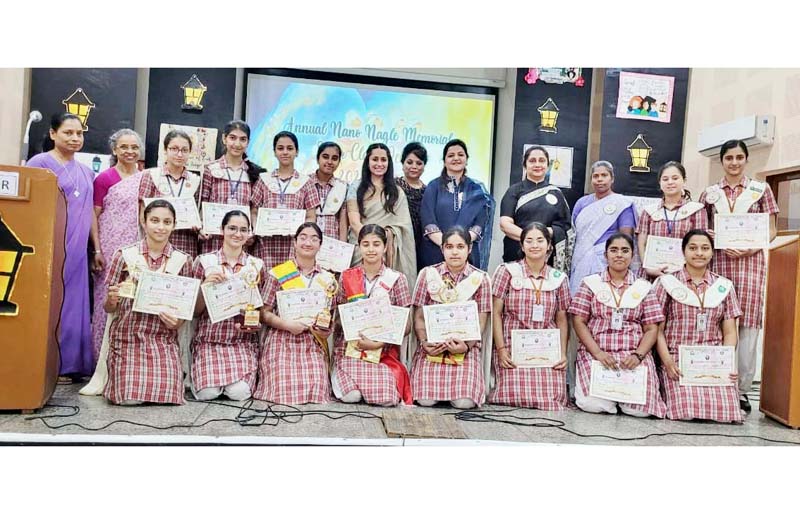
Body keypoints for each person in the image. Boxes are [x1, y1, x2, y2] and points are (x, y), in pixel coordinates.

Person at [699, 139, 779, 413]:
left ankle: (742, 390)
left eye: (739, 157)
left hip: (750, 267)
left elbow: (771, 229)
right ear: (721, 161)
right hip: (718, 266)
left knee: (747, 328)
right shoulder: (710, 194)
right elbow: (701, 229)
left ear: (746, 160)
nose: (734, 162)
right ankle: (715, 383)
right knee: (716, 324)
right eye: (729, 158)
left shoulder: (760, 190)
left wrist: (751, 246)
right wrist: (716, 238)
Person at [101, 200, 193, 405]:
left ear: (174, 225)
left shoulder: (183, 260)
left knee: (167, 398)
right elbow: (108, 307)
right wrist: (112, 300)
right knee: (129, 400)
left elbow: (184, 312)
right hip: (128, 338)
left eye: (167, 222)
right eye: (155, 220)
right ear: (144, 222)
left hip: (162, 339)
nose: (161, 227)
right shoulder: (124, 255)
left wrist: (176, 323)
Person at [27, 113, 94, 381]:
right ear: (53, 134)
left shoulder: (87, 171)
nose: (75, 138)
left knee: (73, 306)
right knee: (51, 304)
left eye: (79, 133)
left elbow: (90, 213)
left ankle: (71, 364)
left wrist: (97, 249)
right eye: (68, 132)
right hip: (51, 248)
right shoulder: (40, 164)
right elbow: (31, 207)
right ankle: (47, 365)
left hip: (78, 251)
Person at [569, 232, 667, 418]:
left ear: (632, 255)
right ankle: (613, 399)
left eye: (625, 250)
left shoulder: (643, 287)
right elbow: (579, 321)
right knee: (594, 405)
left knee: (639, 411)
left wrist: (638, 355)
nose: (619, 255)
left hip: (633, 356)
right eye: (613, 250)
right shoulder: (590, 284)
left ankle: (622, 400)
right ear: (605, 255)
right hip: (598, 354)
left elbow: (651, 328)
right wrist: (598, 353)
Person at [653, 230, 743, 423]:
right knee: (686, 412)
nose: (699, 253)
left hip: (713, 359)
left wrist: (725, 362)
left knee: (725, 415)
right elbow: (656, 330)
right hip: (678, 358)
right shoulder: (666, 283)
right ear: (683, 251)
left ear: (712, 252)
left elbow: (730, 332)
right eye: (693, 248)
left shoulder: (724, 286)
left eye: (705, 248)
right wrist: (667, 362)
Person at [253, 222, 338, 404]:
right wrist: (286, 325)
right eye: (303, 237)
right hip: (282, 338)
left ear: (320, 245)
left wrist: (324, 330)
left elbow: (328, 318)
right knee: (282, 385)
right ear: (295, 241)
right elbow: (264, 313)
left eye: (314, 239)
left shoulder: (328, 279)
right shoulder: (278, 273)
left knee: (317, 388)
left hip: (312, 340)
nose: (308, 243)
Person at [489, 222, 570, 409]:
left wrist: (562, 353)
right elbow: (496, 312)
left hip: (546, 348)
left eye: (540, 240)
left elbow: (561, 318)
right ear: (522, 245)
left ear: (549, 245)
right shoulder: (507, 272)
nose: (535, 245)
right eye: (529, 241)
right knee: (512, 395)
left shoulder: (559, 279)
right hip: (513, 346)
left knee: (552, 399)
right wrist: (501, 350)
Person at [410, 226, 492, 409]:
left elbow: (481, 321)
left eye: (460, 247)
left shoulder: (480, 279)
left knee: (464, 402)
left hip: (465, 349)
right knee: (425, 400)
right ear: (442, 249)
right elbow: (419, 317)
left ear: (469, 249)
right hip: (433, 348)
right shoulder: (428, 275)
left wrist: (466, 345)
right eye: (449, 247)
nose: (454, 252)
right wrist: (424, 342)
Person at [331, 224, 413, 406]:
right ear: (359, 246)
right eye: (365, 244)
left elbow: (406, 325)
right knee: (351, 397)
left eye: (376, 244)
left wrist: (380, 342)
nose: (371, 249)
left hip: (382, 353)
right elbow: (338, 318)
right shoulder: (346, 276)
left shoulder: (397, 279)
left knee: (385, 400)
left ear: (385, 247)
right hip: (350, 351)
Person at [191, 210, 267, 401]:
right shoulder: (204, 262)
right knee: (207, 393)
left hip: (241, 342)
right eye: (232, 228)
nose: (237, 234)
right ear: (222, 230)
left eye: (243, 230)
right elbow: (195, 312)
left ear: (249, 233)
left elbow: (259, 310)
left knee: (238, 393)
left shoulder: (256, 265)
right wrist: (205, 286)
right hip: (209, 341)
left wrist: (254, 325)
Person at [90, 129, 145, 361]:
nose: (129, 151)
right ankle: (100, 360)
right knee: (107, 298)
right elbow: (94, 215)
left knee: (134, 300)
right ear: (114, 150)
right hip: (110, 248)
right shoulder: (104, 179)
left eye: (134, 147)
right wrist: (97, 249)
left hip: (138, 248)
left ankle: (127, 360)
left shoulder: (146, 178)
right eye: (124, 147)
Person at [346, 143, 417, 286]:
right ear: (367, 161)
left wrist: (382, 244)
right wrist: (370, 244)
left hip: (388, 249)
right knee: (358, 291)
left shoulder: (397, 192)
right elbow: (354, 222)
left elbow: (404, 227)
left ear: (389, 163)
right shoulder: (356, 187)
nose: (379, 164)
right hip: (361, 247)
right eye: (375, 159)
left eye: (383, 160)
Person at [419, 139, 495, 270]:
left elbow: (479, 224)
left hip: (467, 255)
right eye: (451, 155)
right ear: (444, 161)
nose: (456, 158)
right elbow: (428, 221)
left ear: (466, 159)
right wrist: (448, 246)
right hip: (436, 253)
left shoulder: (476, 189)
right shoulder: (433, 186)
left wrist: (461, 246)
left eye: (460, 154)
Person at [499, 145, 573, 273]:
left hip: (547, 256)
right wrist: (530, 239)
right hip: (517, 252)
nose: (537, 164)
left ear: (547, 165)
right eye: (532, 161)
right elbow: (505, 224)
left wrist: (542, 237)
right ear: (525, 165)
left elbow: (565, 227)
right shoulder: (514, 191)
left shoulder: (556, 193)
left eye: (542, 160)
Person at [569, 161, 636, 295]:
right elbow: (573, 233)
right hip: (581, 258)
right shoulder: (582, 203)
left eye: (604, 175)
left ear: (612, 179)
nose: (599, 179)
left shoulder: (621, 204)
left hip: (607, 260)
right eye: (596, 176)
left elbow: (626, 237)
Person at [198, 120, 264, 255]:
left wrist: (252, 232)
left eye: (243, 139)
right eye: (232, 138)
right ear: (224, 139)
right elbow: (202, 204)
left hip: (241, 240)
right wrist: (202, 227)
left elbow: (254, 208)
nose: (237, 144)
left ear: (248, 142)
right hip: (214, 239)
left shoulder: (254, 173)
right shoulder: (210, 169)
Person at [250, 131, 313, 268]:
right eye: (280, 148)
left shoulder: (306, 182)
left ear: (297, 152)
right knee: (265, 279)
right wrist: (256, 228)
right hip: (265, 246)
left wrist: (302, 237)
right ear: (274, 152)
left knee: (290, 280)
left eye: (290, 148)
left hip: (293, 247)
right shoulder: (264, 179)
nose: (285, 152)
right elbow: (254, 211)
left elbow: (311, 216)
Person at [637, 161, 707, 279]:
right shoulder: (649, 211)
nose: (670, 182)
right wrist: (647, 267)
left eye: (675, 178)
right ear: (660, 183)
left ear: (684, 181)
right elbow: (641, 243)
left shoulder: (696, 210)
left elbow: (700, 243)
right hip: (652, 274)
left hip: (685, 274)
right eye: (665, 179)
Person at [138, 129, 201, 259]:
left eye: (184, 150)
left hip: (185, 242)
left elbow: (198, 213)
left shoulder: (196, 180)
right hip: (155, 242)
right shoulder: (151, 175)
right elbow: (142, 211)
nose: (179, 154)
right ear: (165, 150)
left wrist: (198, 226)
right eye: (174, 149)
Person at [305, 141, 349, 241]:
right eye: (325, 157)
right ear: (318, 159)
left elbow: (343, 223)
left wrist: (342, 246)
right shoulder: (305, 182)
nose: (329, 162)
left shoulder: (343, 187)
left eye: (334, 158)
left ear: (339, 162)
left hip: (332, 243)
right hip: (308, 243)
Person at [395, 142, 428, 271]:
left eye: (419, 163)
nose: (414, 166)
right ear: (402, 163)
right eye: (409, 162)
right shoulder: (393, 186)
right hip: (400, 242)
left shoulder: (429, 191)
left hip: (422, 245)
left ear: (424, 166)